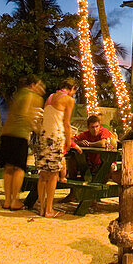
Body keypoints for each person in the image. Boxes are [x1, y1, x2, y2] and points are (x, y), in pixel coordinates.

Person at [0, 76, 45, 210]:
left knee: (8, 167)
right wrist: (36, 128)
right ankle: (15, 201)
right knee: (19, 168)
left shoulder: (18, 94)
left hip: (6, 133)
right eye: (40, 85)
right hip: (20, 134)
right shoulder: (34, 96)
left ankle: (7, 200)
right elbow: (26, 114)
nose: (42, 89)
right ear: (33, 85)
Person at [35, 78, 77, 217]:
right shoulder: (68, 100)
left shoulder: (50, 97)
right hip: (55, 137)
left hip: (43, 136)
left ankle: (41, 207)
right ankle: (49, 209)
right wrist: (69, 140)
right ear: (72, 89)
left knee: (43, 174)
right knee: (53, 175)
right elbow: (66, 122)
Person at [66, 113, 116, 182]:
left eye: (97, 126)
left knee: (109, 167)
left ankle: (100, 188)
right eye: (92, 127)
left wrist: (89, 144)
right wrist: (79, 143)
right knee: (72, 160)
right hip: (89, 164)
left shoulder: (103, 131)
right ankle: (73, 186)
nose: (95, 129)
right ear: (88, 127)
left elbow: (102, 143)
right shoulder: (85, 134)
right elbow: (71, 140)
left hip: (102, 163)